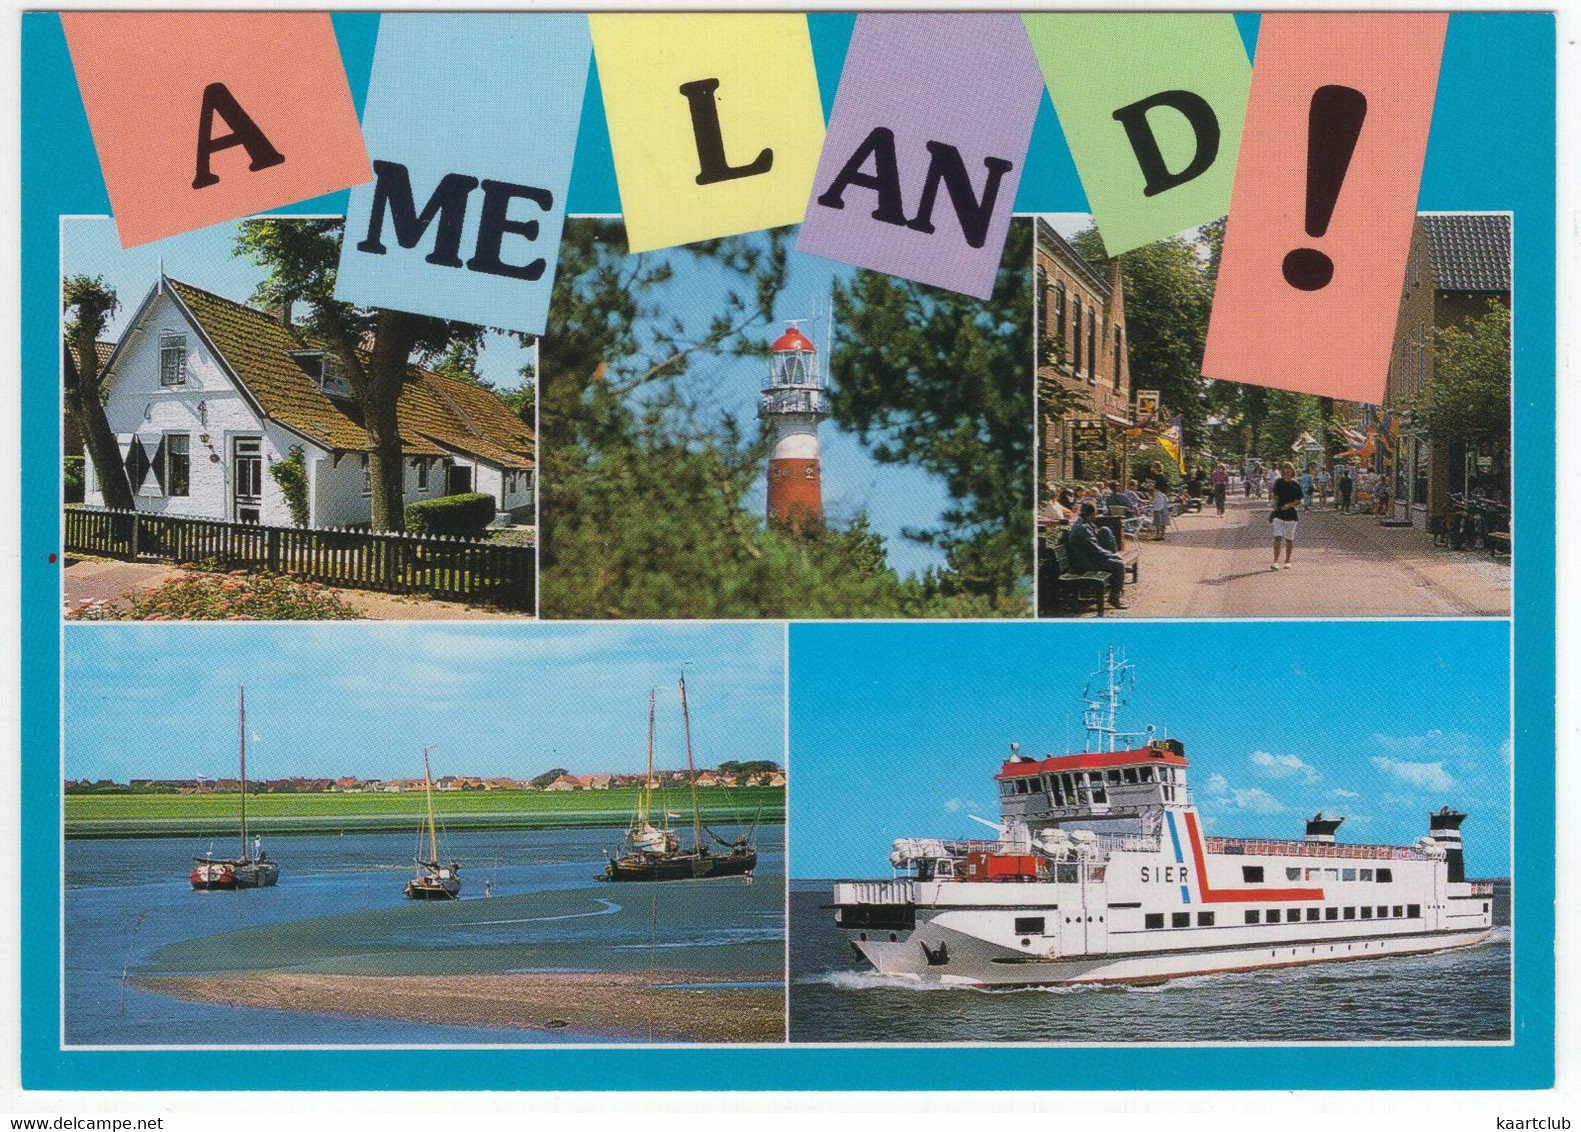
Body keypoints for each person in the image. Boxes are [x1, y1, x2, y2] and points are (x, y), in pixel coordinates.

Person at [1068, 502, 1127, 609]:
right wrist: (1112, 556)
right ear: (1091, 514)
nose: (1095, 516)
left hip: (1089, 557)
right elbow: (1095, 549)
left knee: (1105, 530)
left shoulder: (1084, 523)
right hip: (1086, 563)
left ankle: (1116, 592)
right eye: (1094, 514)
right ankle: (1114, 598)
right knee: (1119, 565)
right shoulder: (1082, 528)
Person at [1270, 461, 1303, 569]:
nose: (1287, 470)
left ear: (1293, 471)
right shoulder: (1279, 482)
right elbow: (1274, 494)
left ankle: (1287, 560)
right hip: (1278, 513)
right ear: (1282, 470)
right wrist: (1274, 502)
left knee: (1289, 539)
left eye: (1289, 468)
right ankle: (1275, 561)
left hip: (1291, 514)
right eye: (1285, 468)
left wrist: (1290, 505)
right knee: (1277, 536)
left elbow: (1300, 500)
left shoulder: (1295, 485)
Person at [1147, 463, 1171, 541]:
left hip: (1158, 496)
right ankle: (1162, 534)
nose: (1151, 469)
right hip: (1163, 497)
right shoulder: (1163, 476)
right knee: (1163, 515)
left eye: (1152, 467)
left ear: (1155, 468)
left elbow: (1155, 487)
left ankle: (1158, 535)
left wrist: (1149, 486)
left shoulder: (1157, 477)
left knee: (1157, 515)